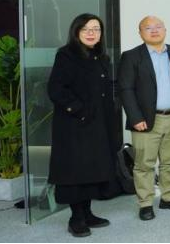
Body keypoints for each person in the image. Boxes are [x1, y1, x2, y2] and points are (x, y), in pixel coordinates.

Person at [47, 14, 118, 238]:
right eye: (86, 29)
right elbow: (56, 89)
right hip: (74, 125)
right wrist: (80, 110)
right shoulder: (66, 55)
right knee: (75, 172)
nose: (91, 33)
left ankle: (87, 213)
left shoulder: (101, 57)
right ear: (76, 31)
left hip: (97, 125)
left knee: (91, 170)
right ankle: (76, 218)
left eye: (96, 29)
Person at [119, 16, 170, 221]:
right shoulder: (131, 56)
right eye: (148, 28)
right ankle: (146, 203)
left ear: (165, 30)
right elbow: (125, 89)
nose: (154, 30)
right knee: (144, 164)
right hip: (145, 120)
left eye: (158, 27)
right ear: (140, 33)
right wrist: (135, 117)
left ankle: (168, 197)